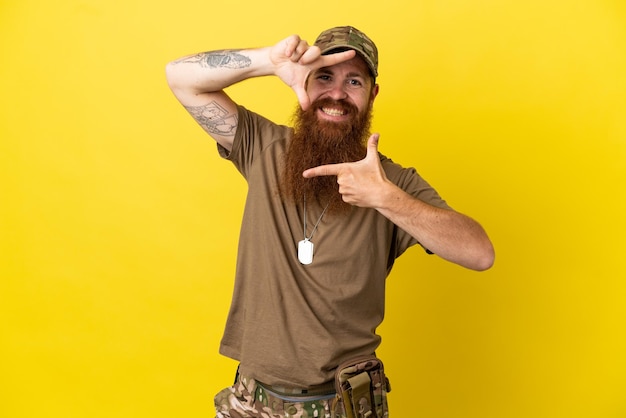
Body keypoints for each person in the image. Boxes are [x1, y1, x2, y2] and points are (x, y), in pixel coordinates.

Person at [166, 26, 494, 418]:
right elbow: (181, 79)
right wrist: (269, 62)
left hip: (343, 405)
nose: (337, 94)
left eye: (353, 81)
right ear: (304, 79)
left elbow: (479, 253)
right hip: (251, 402)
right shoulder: (264, 148)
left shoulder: (393, 183)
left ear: (371, 95)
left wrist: (387, 198)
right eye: (324, 76)